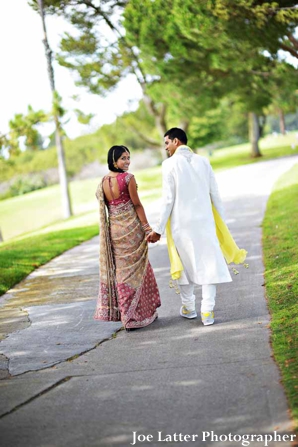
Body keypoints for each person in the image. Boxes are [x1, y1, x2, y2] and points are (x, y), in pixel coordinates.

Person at [147, 128, 234, 326]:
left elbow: (168, 199)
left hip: (181, 224)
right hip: (205, 223)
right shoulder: (204, 161)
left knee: (183, 264)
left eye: (167, 143)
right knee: (208, 264)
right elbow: (215, 194)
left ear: (176, 141)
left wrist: (158, 229)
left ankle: (189, 306)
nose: (166, 148)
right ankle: (207, 311)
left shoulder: (169, 165)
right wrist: (223, 223)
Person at [94, 145, 161, 330]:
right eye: (123, 158)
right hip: (131, 231)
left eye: (128, 158)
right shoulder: (128, 178)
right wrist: (147, 228)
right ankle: (138, 315)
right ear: (114, 160)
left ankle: (127, 316)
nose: (127, 162)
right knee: (139, 269)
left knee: (122, 273)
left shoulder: (102, 182)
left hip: (114, 232)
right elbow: (137, 205)